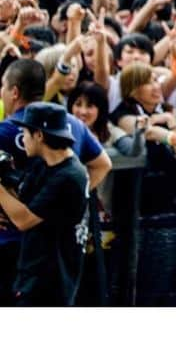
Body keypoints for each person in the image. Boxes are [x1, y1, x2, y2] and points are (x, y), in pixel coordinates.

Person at [0, 57, 112, 305]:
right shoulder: (72, 127)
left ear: (14, 91)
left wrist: (64, 201)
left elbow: (24, 218)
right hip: (42, 251)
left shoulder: (5, 131)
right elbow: (103, 164)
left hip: (26, 250)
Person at [0, 102, 89, 307]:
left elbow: (24, 219)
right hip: (31, 272)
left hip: (51, 280)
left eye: (24, 132)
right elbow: (21, 202)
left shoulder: (69, 176)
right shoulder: (44, 164)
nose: (22, 138)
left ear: (39, 135)